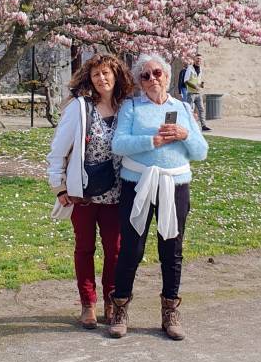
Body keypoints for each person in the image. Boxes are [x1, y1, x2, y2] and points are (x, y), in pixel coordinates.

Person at [108, 53, 208, 341]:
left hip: (175, 185)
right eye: (145, 75)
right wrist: (152, 140)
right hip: (138, 184)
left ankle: (170, 309)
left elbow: (201, 152)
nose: (152, 79)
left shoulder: (183, 108)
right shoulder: (131, 108)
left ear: (167, 75)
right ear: (139, 82)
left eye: (157, 73)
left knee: (172, 249)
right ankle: (120, 307)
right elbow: (119, 144)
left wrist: (184, 134)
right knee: (132, 249)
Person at [47, 54, 134, 328]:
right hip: (82, 193)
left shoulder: (126, 108)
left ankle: (110, 300)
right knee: (85, 248)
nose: (102, 79)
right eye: (96, 74)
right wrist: (58, 186)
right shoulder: (80, 108)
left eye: (107, 73)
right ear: (90, 78)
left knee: (115, 250)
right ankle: (88, 303)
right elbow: (58, 149)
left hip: (116, 193)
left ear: (117, 75)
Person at [182, 53, 211, 131]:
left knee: (201, 109)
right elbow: (186, 81)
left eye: (200, 59)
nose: (199, 60)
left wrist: (201, 84)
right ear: (194, 60)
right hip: (191, 94)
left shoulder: (200, 69)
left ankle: (203, 126)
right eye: (197, 59)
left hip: (198, 93)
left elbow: (198, 81)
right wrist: (194, 86)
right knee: (189, 110)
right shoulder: (190, 68)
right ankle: (188, 126)